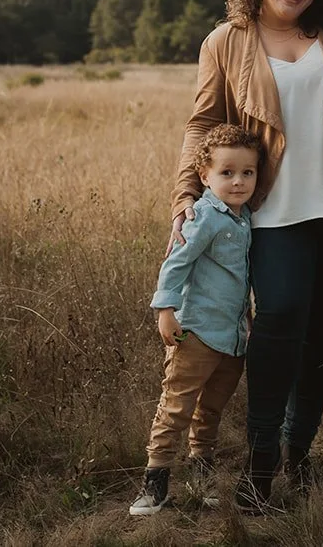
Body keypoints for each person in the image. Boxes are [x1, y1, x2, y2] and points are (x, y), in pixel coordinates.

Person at [168, 0, 323, 512]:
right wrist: (184, 194)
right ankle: (259, 471)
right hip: (273, 212)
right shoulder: (227, 41)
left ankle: (298, 454)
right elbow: (203, 123)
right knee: (277, 328)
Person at [131, 123, 262, 517]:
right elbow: (176, 263)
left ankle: (201, 476)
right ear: (204, 176)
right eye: (227, 173)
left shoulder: (246, 218)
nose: (238, 182)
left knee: (211, 411)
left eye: (247, 173)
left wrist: (249, 320)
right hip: (197, 332)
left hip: (233, 337)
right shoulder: (203, 216)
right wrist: (166, 310)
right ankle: (154, 484)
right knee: (176, 407)